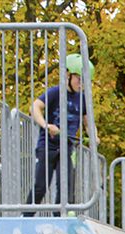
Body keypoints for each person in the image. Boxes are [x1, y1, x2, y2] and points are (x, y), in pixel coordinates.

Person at [24, 54, 91, 215]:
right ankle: (25, 218)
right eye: (78, 79)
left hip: (66, 147)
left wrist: (94, 137)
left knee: (65, 190)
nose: (81, 83)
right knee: (41, 186)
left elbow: (88, 123)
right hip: (48, 145)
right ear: (68, 75)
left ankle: (59, 222)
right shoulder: (55, 92)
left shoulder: (82, 100)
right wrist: (46, 125)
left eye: (84, 80)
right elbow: (34, 107)